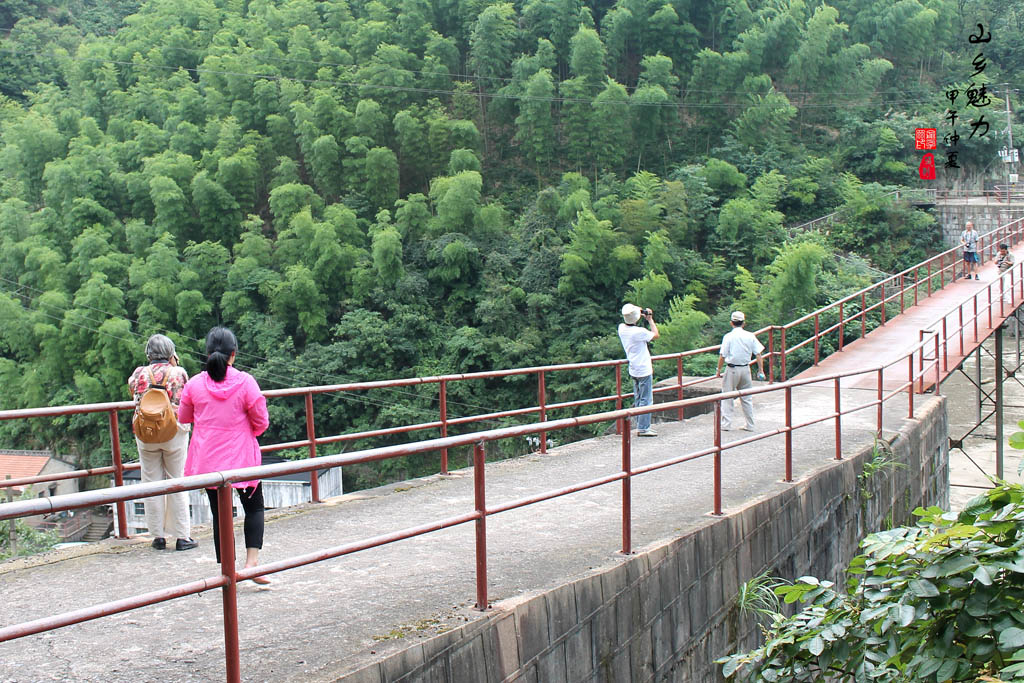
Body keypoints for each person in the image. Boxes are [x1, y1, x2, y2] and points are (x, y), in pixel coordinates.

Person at [179, 327, 271, 583]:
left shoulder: (194, 384)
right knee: (254, 507)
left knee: (221, 514)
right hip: (241, 456)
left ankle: (227, 571)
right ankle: (251, 564)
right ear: (234, 354)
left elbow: (184, 417)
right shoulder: (245, 382)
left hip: (208, 460)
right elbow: (261, 421)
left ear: (207, 353)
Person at [127, 334, 198, 551]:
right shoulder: (178, 373)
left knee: (151, 482)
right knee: (177, 481)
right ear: (171, 353)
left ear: (148, 353)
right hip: (173, 431)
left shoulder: (138, 374)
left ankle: (157, 536)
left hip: (146, 433)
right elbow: (186, 397)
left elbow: (133, 392)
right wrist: (174, 364)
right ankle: (182, 536)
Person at [716, 311, 766, 432]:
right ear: (744, 323)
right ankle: (750, 424)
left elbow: (722, 355)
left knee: (727, 397)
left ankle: (726, 424)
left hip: (732, 369)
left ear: (731, 323)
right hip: (745, 368)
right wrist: (761, 370)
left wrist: (718, 370)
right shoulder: (750, 336)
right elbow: (758, 354)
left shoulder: (728, 337)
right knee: (747, 398)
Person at [618, 303, 660, 437]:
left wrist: (639, 313)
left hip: (633, 368)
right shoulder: (639, 332)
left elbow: (630, 318)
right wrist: (649, 319)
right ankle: (643, 428)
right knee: (646, 399)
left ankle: (639, 424)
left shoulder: (621, 328)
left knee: (638, 397)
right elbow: (656, 334)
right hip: (644, 369)